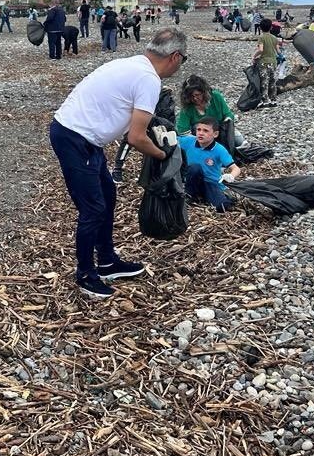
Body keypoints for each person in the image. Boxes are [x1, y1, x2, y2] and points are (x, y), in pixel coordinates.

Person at [50, 28, 189, 298]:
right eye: (184, 59)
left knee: (107, 196)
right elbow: (136, 137)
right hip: (74, 137)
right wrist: (163, 156)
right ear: (175, 56)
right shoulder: (149, 79)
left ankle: (107, 262)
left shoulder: (132, 64)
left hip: (83, 137)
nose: (181, 64)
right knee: (93, 208)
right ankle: (86, 274)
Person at [179, 117, 241, 213]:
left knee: (223, 206)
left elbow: (236, 168)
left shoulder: (219, 149)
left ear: (215, 134)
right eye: (198, 129)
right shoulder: (189, 141)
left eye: (205, 131)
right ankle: (190, 195)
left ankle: (206, 196)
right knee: (195, 168)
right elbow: (172, 140)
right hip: (193, 181)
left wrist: (231, 176)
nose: (200, 133)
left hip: (211, 183)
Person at [176, 74, 243, 146]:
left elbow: (228, 114)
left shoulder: (216, 97)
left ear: (204, 92)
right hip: (200, 137)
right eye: (191, 96)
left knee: (238, 139)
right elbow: (183, 130)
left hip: (218, 131)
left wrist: (227, 123)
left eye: (197, 95)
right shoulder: (187, 107)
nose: (195, 98)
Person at [253, 19, 281, 107]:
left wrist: (254, 56)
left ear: (260, 28)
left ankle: (265, 101)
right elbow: (278, 51)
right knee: (272, 82)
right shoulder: (274, 38)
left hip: (264, 62)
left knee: (264, 82)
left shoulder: (261, 37)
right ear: (271, 27)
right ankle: (273, 100)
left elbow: (261, 50)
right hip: (273, 62)